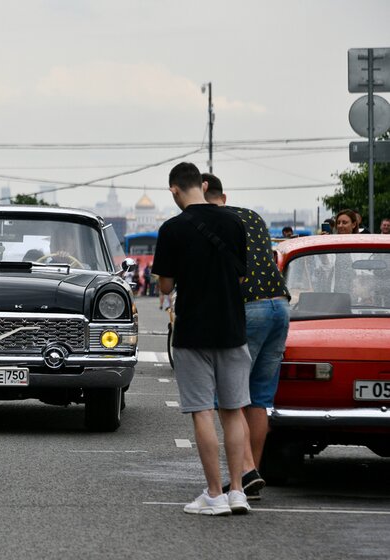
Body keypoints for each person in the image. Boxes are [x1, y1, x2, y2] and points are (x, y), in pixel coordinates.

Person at [152, 162, 251, 516]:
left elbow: (164, 286)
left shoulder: (172, 229)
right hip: (232, 329)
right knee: (233, 410)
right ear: (203, 184)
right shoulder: (234, 222)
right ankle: (238, 490)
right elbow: (240, 279)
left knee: (202, 413)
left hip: (193, 331)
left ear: (174, 190)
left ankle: (214, 494)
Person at [203, 173, 291, 501]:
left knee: (231, 393)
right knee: (259, 398)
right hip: (279, 305)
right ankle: (252, 474)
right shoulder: (252, 216)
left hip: (248, 306)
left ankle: (246, 471)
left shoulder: (204, 221)